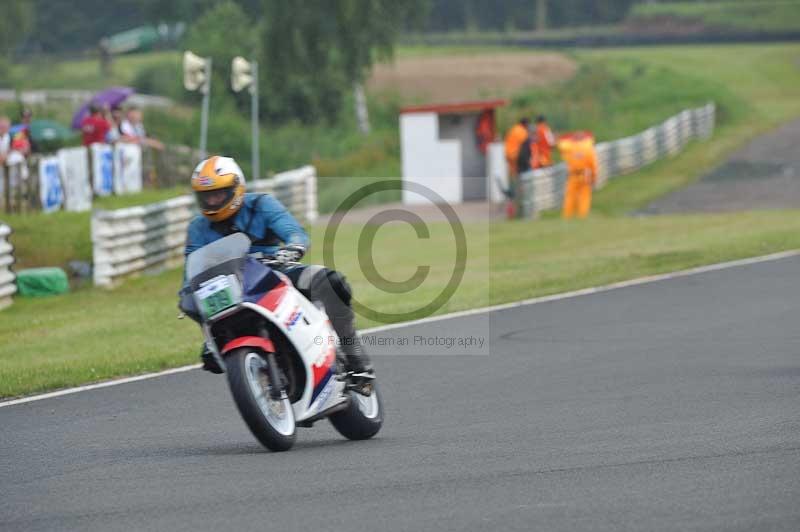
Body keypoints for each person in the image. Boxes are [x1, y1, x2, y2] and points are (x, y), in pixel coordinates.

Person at [181, 155, 373, 378]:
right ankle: (214, 343)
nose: (213, 201)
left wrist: (293, 247)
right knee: (208, 345)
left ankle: (353, 352)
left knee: (329, 281)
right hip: (231, 288)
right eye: (206, 196)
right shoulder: (197, 227)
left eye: (219, 194)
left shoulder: (261, 204)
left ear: (236, 188)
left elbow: (293, 231)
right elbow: (191, 269)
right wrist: (187, 292)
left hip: (274, 272)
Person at [559, 131, 599, 219]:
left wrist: (568, 139)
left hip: (573, 175)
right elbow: (593, 165)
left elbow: (561, 146)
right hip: (585, 175)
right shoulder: (588, 148)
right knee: (584, 197)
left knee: (570, 196)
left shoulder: (569, 148)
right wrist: (594, 178)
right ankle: (582, 216)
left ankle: (567, 216)